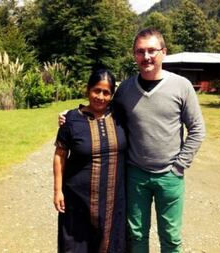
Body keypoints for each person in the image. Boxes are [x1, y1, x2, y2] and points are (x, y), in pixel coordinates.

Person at [112, 28, 205, 253]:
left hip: (169, 176)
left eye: (152, 50)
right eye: (140, 51)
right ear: (134, 55)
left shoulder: (181, 86)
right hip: (136, 175)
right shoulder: (125, 89)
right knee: (136, 235)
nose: (146, 57)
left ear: (163, 52)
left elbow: (197, 129)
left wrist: (179, 166)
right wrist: (75, 114)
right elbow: (105, 118)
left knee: (171, 237)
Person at [53, 68, 127, 253]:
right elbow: (59, 155)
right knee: (76, 246)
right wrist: (57, 191)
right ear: (88, 90)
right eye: (96, 90)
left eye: (106, 92)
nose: (100, 97)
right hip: (77, 199)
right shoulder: (71, 120)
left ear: (112, 95)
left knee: (110, 244)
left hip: (112, 200)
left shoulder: (120, 117)